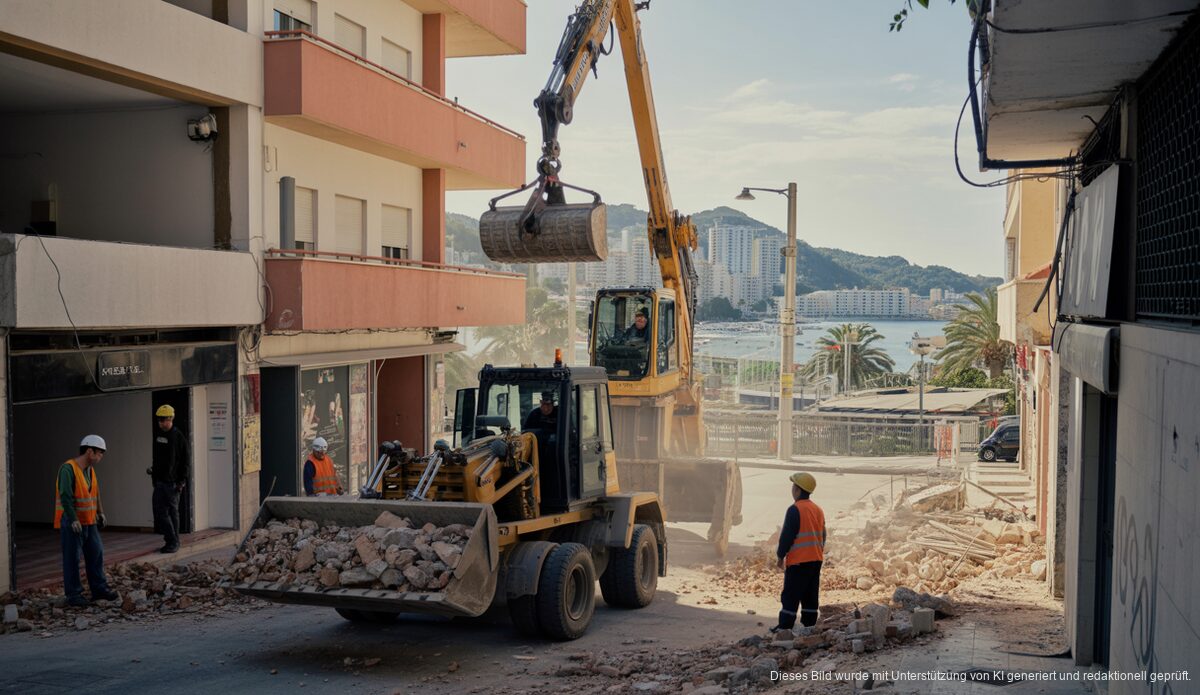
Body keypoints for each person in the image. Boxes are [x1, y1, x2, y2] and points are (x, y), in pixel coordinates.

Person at [56, 434, 119, 607]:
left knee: (96, 554)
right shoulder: (68, 469)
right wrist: (73, 518)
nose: (101, 457)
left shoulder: (90, 470)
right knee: (72, 559)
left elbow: (95, 492)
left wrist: (100, 512)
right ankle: (74, 595)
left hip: (89, 522)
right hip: (73, 523)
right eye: (99, 453)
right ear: (89, 451)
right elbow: (66, 496)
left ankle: (99, 589)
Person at [772, 471, 826, 632]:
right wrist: (817, 551)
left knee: (791, 594)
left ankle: (785, 627)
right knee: (810, 593)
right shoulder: (818, 509)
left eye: (793, 487)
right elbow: (823, 535)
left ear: (797, 490)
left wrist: (780, 556)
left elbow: (787, 536)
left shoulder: (794, 509)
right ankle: (809, 626)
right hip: (816, 559)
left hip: (799, 561)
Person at [150, 404, 190, 554]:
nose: (161, 423)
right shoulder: (159, 436)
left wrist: (181, 481)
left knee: (172, 512)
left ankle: (174, 541)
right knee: (159, 512)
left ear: (171, 419)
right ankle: (171, 539)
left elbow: (185, 461)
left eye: (164, 420)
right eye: (159, 420)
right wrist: (154, 477)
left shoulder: (178, 437)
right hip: (160, 481)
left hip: (172, 483)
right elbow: (157, 458)